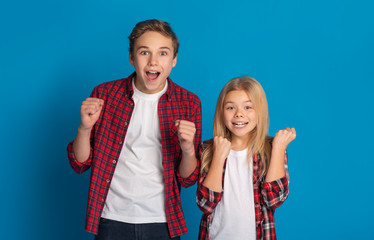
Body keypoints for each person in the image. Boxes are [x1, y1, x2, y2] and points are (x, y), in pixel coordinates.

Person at [67, 19, 202, 240]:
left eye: (163, 53)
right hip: (111, 218)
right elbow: (80, 163)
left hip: (162, 221)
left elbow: (187, 179)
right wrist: (84, 128)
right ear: (131, 57)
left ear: (174, 60)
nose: (153, 61)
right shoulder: (105, 95)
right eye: (144, 52)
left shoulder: (189, 102)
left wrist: (188, 149)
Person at [196, 76, 296, 240]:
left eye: (248, 107)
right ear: (222, 112)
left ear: (260, 111)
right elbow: (205, 204)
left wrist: (278, 148)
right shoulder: (207, 149)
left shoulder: (272, 149)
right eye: (230, 108)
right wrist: (219, 156)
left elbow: (273, 200)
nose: (239, 114)